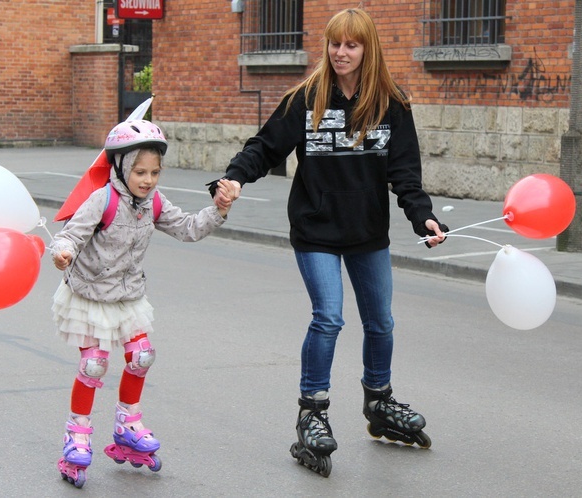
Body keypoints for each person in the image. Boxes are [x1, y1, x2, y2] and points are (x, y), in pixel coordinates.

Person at [211, 8, 448, 477]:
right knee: (329, 317)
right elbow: (265, 147)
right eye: (335, 43)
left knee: (381, 322)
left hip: (366, 233)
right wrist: (233, 178)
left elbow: (405, 174)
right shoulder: (305, 99)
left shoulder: (391, 104)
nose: (342, 53)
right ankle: (312, 412)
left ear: (367, 50)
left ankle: (379, 401)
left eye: (352, 45)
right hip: (316, 230)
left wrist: (424, 220)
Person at [51, 119, 235, 488]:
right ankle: (78, 435)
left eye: (154, 172)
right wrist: (63, 252)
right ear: (120, 167)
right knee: (93, 365)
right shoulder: (102, 199)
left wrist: (218, 209)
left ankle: (128, 425)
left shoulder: (153, 202)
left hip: (127, 296)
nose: (148, 180)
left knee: (141, 356)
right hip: (89, 295)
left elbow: (187, 228)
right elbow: (68, 235)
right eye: (140, 171)